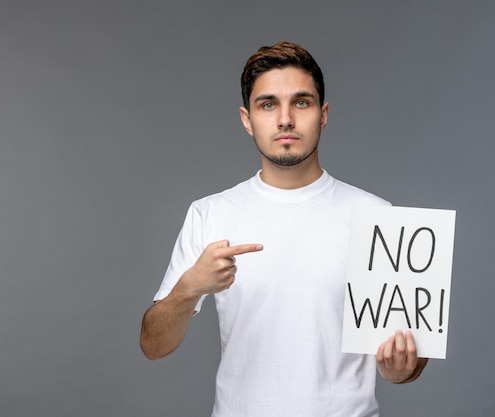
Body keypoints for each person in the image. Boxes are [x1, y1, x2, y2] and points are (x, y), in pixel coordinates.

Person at [140, 41, 428, 417]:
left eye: (302, 103)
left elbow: (413, 355)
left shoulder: (377, 216)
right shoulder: (210, 214)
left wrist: (403, 369)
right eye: (268, 104)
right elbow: (153, 345)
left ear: (323, 115)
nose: (286, 119)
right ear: (247, 119)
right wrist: (189, 288)